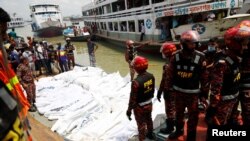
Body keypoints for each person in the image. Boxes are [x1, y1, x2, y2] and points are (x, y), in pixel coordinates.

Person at [206, 27, 248, 140]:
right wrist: (213, 107)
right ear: (234, 44)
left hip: (233, 100)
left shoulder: (237, 58)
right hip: (223, 104)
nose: (246, 47)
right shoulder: (223, 62)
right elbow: (216, 88)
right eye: (243, 44)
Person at [166, 30, 208, 141]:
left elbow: (204, 77)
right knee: (178, 115)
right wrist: (167, 90)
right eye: (191, 43)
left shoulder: (200, 57)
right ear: (184, 44)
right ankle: (178, 130)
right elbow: (169, 75)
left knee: (193, 118)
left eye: (195, 43)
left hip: (193, 95)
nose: (195, 45)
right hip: (178, 93)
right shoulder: (175, 57)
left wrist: (204, 93)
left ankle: (191, 137)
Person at [0, 7, 32, 141]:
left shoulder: (2, 58)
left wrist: (21, 109)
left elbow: (10, 87)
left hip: (17, 111)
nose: (6, 37)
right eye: (2, 32)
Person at [126, 56, 155, 141]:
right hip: (149, 103)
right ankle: (150, 134)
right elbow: (152, 90)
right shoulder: (151, 76)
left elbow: (132, 98)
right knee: (149, 119)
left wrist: (129, 110)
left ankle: (142, 139)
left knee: (141, 125)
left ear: (136, 68)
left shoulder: (136, 82)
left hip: (140, 107)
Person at [157, 42, 177, 134]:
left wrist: (160, 91)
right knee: (176, 108)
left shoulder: (168, 65)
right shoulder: (179, 61)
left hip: (169, 91)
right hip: (179, 91)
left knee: (170, 110)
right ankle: (176, 124)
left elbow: (164, 80)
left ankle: (170, 128)